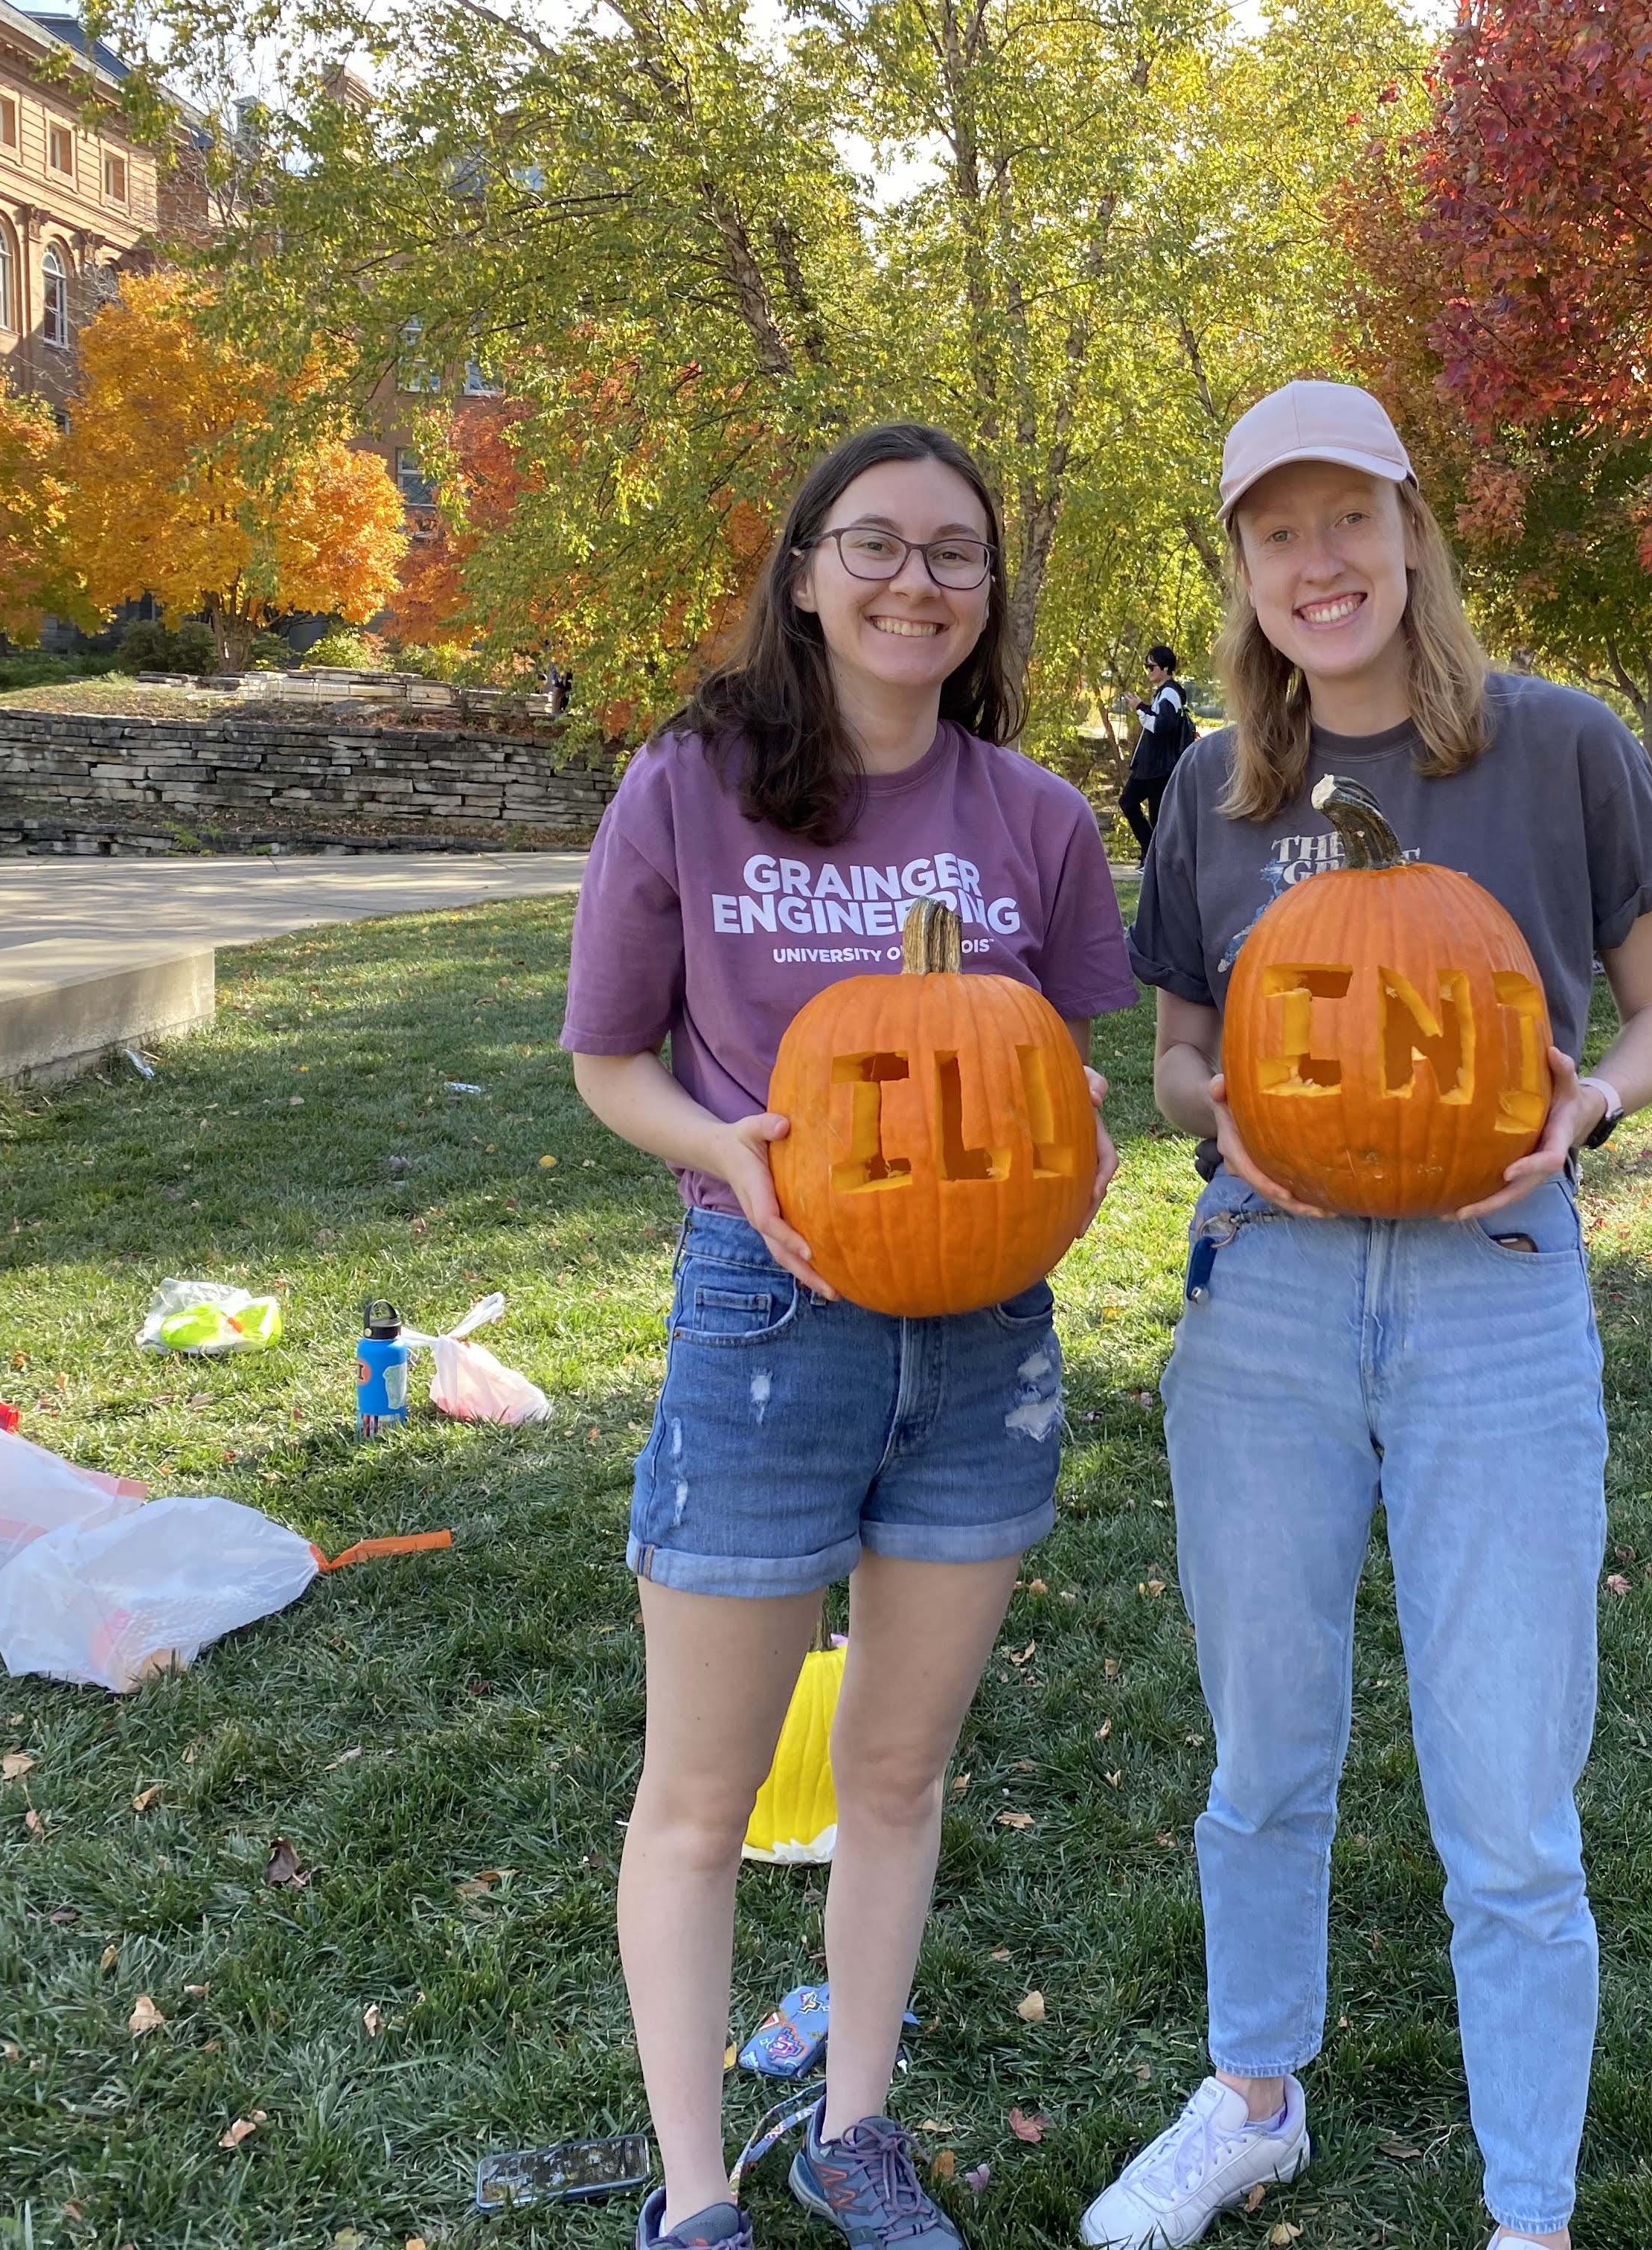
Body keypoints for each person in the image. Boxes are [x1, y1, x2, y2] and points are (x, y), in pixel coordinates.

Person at [1082, 381, 1652, 2250]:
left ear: (1413, 530)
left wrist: (1587, 1105)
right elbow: (1185, 1058)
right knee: (1264, 1752)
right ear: (1246, 569)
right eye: (1278, 535)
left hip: (1496, 1297)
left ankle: (1531, 2213)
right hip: (1263, 1299)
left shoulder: (1559, 747)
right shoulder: (1211, 788)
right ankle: (1252, 2097)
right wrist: (1233, 1123)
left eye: (1348, 518)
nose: (1319, 563)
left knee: (1509, 1792)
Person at [561, 421, 1139, 2250]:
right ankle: (695, 2190)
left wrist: (1080, 1157)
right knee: (703, 1794)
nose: (915, 582)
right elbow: (607, 1063)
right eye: (875, 545)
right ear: (803, 570)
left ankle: (858, 2128)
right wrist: (720, 1147)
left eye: (955, 554)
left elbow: (1069, 1078)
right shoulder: (691, 784)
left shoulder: (1036, 821)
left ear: (988, 597)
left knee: (895, 1772)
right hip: (765, 1317)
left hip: (986, 1344)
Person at [1118, 644, 1196, 854]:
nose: (1148, 671)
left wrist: (1139, 707)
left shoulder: (1170, 693)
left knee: (1157, 816)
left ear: (1165, 668)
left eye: (1151, 667)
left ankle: (1155, 856)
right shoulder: (1164, 692)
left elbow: (1162, 726)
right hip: (1149, 767)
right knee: (1129, 802)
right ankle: (1150, 851)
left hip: (1158, 768)